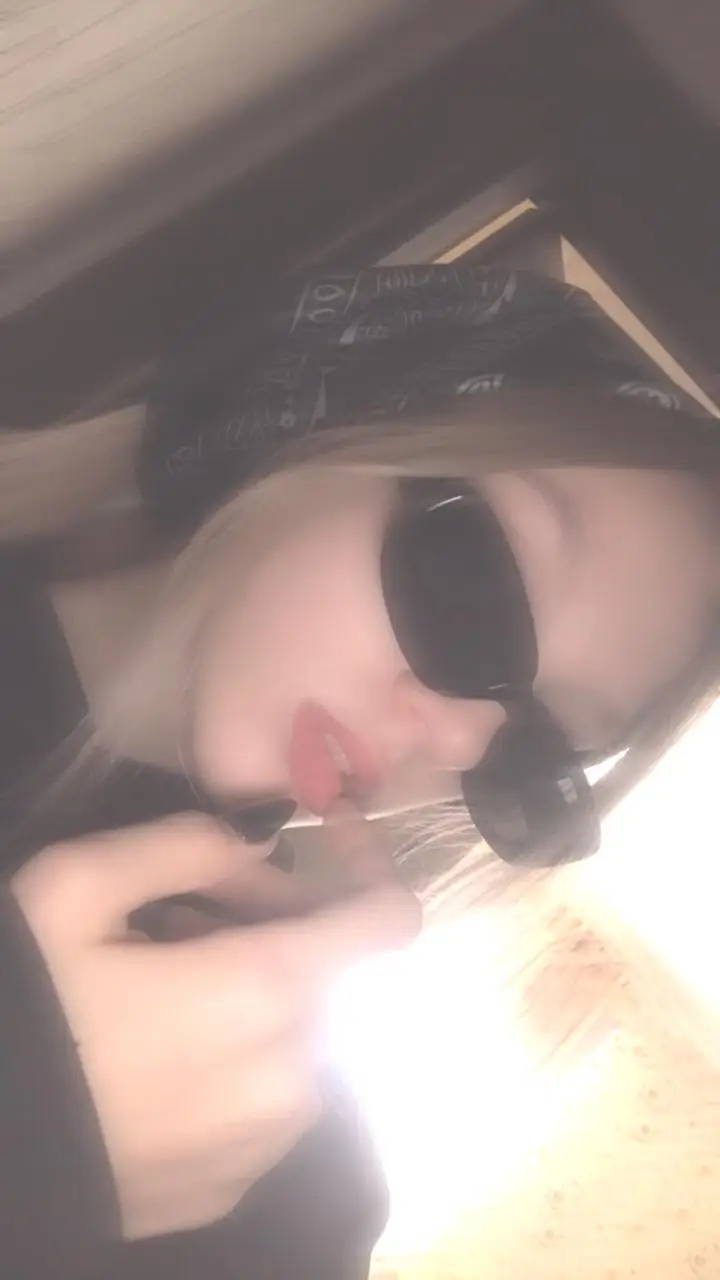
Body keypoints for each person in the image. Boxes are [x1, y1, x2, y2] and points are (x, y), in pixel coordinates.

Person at [0, 264, 718, 1279]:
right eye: (478, 594)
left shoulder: (286, 1187)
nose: (460, 746)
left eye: (535, 752)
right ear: (322, 425)